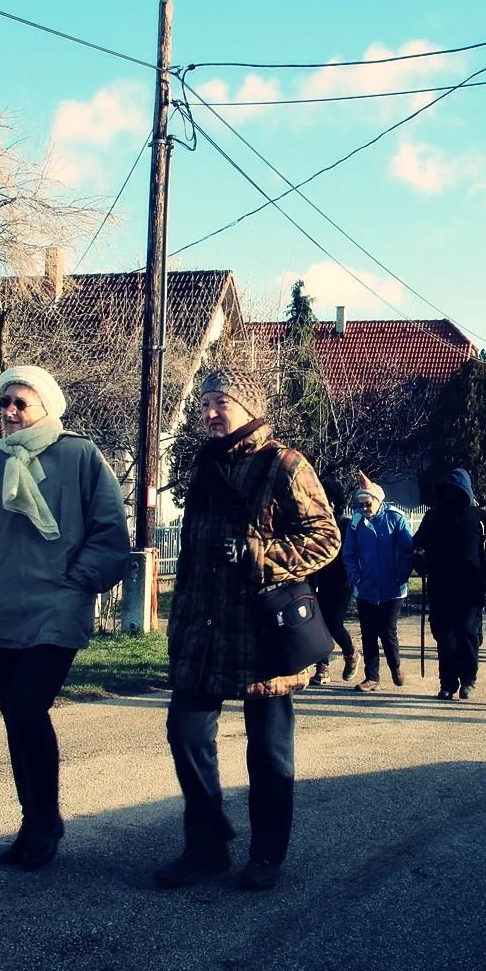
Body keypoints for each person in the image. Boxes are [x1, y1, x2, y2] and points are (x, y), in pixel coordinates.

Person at [155, 367, 339, 892]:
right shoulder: (202, 464)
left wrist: (259, 555)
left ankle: (266, 855)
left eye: (222, 403)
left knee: (268, 750)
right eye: (206, 403)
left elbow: (326, 538)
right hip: (204, 629)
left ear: (250, 407)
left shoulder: (286, 464)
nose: (210, 413)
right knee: (186, 734)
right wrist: (179, 616)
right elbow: (191, 548)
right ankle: (206, 846)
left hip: (264, 631)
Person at [0, 366, 129, 871]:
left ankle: (44, 822)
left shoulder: (80, 456)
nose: (8, 412)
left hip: (58, 606)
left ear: (47, 406)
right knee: (15, 717)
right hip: (2, 608)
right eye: (3, 403)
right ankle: (33, 820)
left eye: (19, 403)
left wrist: (80, 578)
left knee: (29, 708)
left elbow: (109, 530)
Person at [413, 468, 486, 701]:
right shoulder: (432, 517)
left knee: (467, 634)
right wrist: (419, 561)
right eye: (448, 490)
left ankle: (468, 679)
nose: (452, 495)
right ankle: (447, 683)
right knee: (444, 637)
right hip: (440, 587)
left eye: (457, 490)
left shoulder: (480, 518)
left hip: (470, 589)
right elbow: (416, 545)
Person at [343, 474, 413, 692]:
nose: (364, 508)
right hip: (366, 587)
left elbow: (407, 551)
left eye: (368, 503)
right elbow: (349, 554)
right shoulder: (356, 522)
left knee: (387, 630)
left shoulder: (395, 518)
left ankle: (396, 668)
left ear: (378, 501)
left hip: (393, 589)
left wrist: (400, 575)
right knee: (368, 633)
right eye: (360, 504)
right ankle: (371, 677)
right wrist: (357, 578)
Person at [308, 478, 359, 686]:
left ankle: (351, 653)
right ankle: (323, 666)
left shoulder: (345, 525)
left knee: (333, 623)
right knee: (317, 623)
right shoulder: (312, 525)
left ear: (334, 502)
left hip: (340, 581)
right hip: (315, 579)